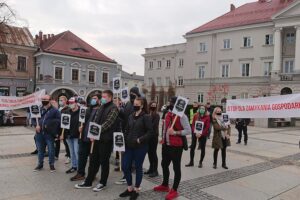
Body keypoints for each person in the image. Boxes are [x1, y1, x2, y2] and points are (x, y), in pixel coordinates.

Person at [75, 90, 119, 192]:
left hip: (106, 140)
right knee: (93, 160)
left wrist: (96, 133)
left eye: (104, 96)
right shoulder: (101, 107)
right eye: (102, 96)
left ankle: (102, 183)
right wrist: (92, 133)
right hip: (96, 139)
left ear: (110, 98)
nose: (102, 98)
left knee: (104, 162)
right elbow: (95, 120)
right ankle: (88, 181)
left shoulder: (114, 108)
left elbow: (108, 123)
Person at [153, 97, 191, 200]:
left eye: (173, 103)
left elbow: (188, 130)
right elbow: (165, 128)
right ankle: (165, 185)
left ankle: (174, 189)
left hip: (176, 146)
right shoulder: (168, 114)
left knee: (176, 167)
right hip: (166, 145)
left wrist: (176, 132)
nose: (171, 104)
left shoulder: (182, 116)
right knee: (164, 164)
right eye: (170, 102)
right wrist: (163, 138)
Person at [119, 97, 153, 200]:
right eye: (134, 103)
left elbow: (150, 132)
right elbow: (127, 130)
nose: (135, 105)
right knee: (125, 166)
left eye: (137, 104)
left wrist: (140, 139)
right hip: (129, 146)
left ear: (142, 105)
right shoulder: (130, 116)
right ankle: (129, 188)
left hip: (140, 147)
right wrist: (122, 141)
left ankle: (136, 189)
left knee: (138, 167)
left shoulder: (146, 117)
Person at [70, 94, 101, 181]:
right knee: (81, 155)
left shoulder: (100, 110)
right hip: (84, 137)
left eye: (95, 98)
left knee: (93, 158)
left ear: (99, 100)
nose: (93, 100)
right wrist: (80, 127)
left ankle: (92, 174)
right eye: (92, 99)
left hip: (93, 138)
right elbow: (82, 121)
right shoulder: (88, 109)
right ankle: (80, 173)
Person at [115, 86, 141, 185]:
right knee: (125, 155)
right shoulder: (128, 103)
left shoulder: (138, 103)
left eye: (133, 93)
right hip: (125, 132)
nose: (131, 95)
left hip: (133, 134)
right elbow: (125, 117)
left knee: (130, 157)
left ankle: (128, 175)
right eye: (130, 93)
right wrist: (119, 111)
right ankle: (126, 174)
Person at [33, 95, 61, 172]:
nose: (43, 100)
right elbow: (33, 119)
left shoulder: (55, 110)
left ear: (50, 100)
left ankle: (51, 165)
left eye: (45, 99)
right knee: (40, 150)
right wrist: (36, 125)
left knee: (51, 150)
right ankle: (40, 164)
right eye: (42, 99)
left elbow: (59, 120)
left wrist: (49, 124)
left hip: (49, 134)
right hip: (39, 133)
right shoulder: (38, 109)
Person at [64, 97, 80, 174]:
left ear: (76, 103)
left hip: (77, 136)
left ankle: (80, 168)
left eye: (72, 103)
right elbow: (63, 123)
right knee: (72, 152)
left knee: (77, 152)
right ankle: (74, 166)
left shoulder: (81, 112)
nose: (71, 104)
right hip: (68, 135)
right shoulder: (67, 112)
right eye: (69, 103)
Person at [144, 101, 160, 177]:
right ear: (149, 106)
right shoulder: (147, 114)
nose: (153, 106)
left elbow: (154, 125)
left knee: (153, 153)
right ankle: (151, 168)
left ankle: (155, 170)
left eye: (154, 105)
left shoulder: (157, 115)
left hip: (153, 136)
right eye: (152, 105)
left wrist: (147, 127)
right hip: (148, 137)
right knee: (149, 153)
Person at [56, 96, 71, 162]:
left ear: (65, 101)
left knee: (67, 143)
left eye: (62, 100)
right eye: (59, 100)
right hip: (59, 128)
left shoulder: (68, 109)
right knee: (60, 142)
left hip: (65, 129)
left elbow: (67, 120)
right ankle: (57, 155)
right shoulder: (59, 108)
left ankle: (69, 156)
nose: (60, 101)